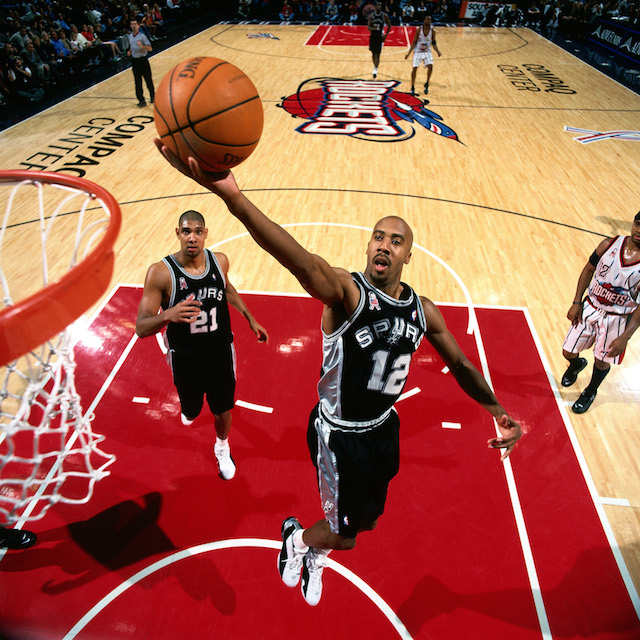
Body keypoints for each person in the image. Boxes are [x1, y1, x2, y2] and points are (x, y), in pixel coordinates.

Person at [152, 140, 524, 607]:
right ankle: (299, 543)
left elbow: (463, 364)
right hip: (339, 434)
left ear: (409, 255)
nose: (384, 245)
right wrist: (235, 199)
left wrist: (498, 411)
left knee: (365, 521)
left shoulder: (422, 310)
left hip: (384, 429)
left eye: (396, 240)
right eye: (378, 236)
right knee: (345, 536)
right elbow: (300, 260)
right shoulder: (348, 293)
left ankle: (317, 544)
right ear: (368, 245)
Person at [136, 210, 269, 480]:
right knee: (192, 408)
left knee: (222, 408)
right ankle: (190, 408)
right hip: (185, 357)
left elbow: (227, 288)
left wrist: (250, 318)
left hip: (220, 352)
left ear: (206, 233)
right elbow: (140, 327)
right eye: (186, 231)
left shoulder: (219, 262)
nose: (192, 238)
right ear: (178, 234)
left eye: (198, 231)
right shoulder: (161, 273)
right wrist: (168, 315)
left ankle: (222, 447)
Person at [561, 212, 640, 413]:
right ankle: (576, 364)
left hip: (618, 318)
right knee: (567, 351)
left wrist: (625, 337)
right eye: (638, 224)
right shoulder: (609, 244)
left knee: (602, 360)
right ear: (633, 224)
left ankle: (591, 390)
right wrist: (576, 301)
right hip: (591, 307)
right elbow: (588, 270)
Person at [405, 15, 441, 95]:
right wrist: (408, 53)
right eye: (427, 19)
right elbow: (414, 42)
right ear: (424, 20)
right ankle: (412, 86)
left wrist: (437, 51)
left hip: (427, 51)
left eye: (430, 19)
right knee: (414, 68)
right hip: (418, 51)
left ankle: (427, 83)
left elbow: (434, 43)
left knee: (431, 66)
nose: (429, 21)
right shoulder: (419, 30)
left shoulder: (433, 31)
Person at [127, 18, 154, 107]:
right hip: (135, 61)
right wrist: (130, 51)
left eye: (135, 24)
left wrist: (142, 46)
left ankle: (152, 96)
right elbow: (132, 46)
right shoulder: (130, 36)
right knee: (137, 82)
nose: (133, 26)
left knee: (148, 79)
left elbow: (150, 48)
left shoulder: (142, 36)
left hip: (143, 60)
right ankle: (141, 100)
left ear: (138, 25)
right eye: (132, 24)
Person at [368, 2, 392, 79]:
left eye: (380, 5)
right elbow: (368, 28)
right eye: (377, 5)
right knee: (373, 52)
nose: (379, 6)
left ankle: (375, 69)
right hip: (373, 35)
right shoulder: (372, 16)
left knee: (377, 53)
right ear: (375, 7)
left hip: (379, 36)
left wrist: (385, 35)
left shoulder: (384, 15)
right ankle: (374, 66)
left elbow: (389, 26)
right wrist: (373, 28)